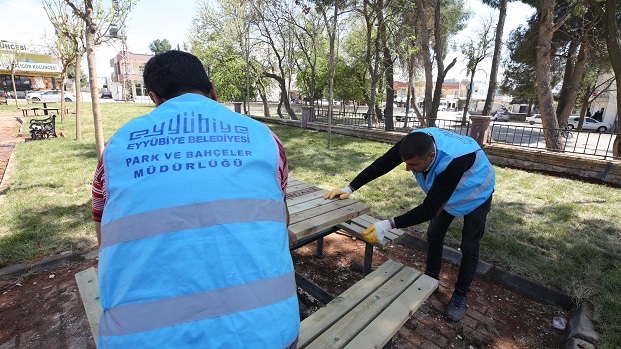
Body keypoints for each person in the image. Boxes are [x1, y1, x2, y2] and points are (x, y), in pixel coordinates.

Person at [91, 50, 300, 348]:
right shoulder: (265, 138)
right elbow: (280, 214)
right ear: (213, 91)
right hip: (268, 334)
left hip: (141, 339)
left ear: (154, 98)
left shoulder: (117, 146)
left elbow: (104, 232)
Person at [324, 128, 495, 321]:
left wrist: (389, 224)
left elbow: (431, 208)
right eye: (406, 163)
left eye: (412, 164)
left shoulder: (455, 161)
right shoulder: (412, 143)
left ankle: (460, 295)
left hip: (475, 194)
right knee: (434, 235)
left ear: (431, 156)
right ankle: (431, 278)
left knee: (469, 247)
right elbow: (381, 165)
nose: (407, 169)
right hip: (444, 192)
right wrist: (350, 187)